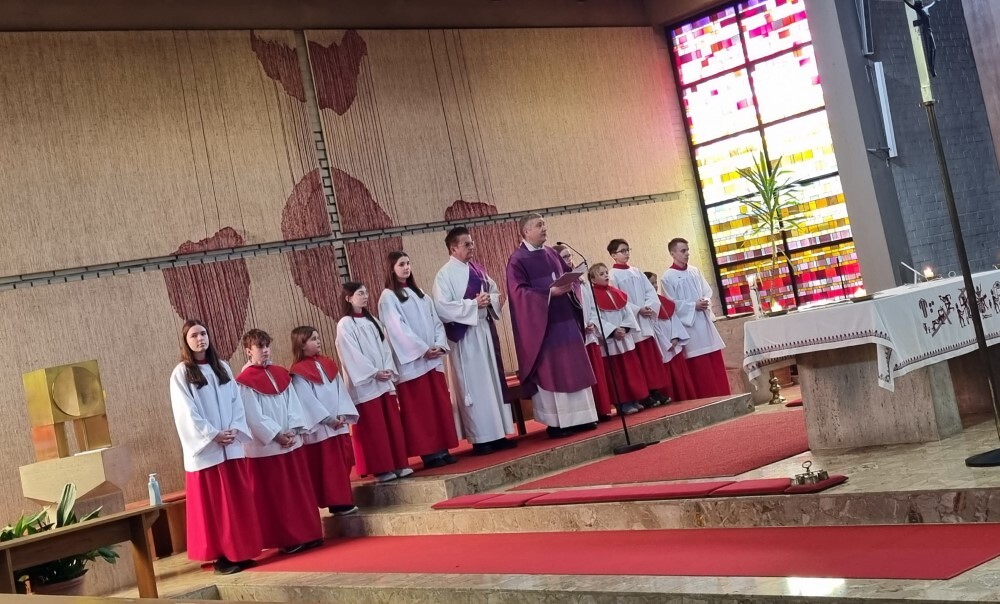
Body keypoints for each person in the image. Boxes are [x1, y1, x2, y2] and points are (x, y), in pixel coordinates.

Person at [169, 320, 262, 575]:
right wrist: (213, 435)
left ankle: (240, 552)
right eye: (194, 335)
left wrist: (233, 429)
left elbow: (236, 402)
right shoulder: (181, 373)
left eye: (203, 333)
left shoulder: (222, 367)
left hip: (230, 446)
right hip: (208, 451)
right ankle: (221, 557)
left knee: (236, 504)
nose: (200, 338)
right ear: (186, 342)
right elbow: (186, 413)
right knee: (217, 508)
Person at [506, 213, 598, 438]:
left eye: (544, 224)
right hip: (543, 328)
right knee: (553, 370)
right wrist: (548, 293)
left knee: (574, 367)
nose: (544, 228)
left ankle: (582, 417)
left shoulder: (551, 253)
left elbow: (567, 277)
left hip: (566, 319)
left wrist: (573, 281)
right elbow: (518, 294)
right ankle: (558, 423)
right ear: (526, 231)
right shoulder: (517, 260)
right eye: (539, 225)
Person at [236, 328, 323, 554]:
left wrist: (293, 430)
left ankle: (309, 533)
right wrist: (276, 435)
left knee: (299, 490)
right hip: (268, 448)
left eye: (267, 346)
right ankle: (288, 539)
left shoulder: (280, 373)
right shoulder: (244, 382)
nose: (265, 350)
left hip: (290, 442)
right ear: (248, 351)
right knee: (279, 495)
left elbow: (293, 403)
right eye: (260, 347)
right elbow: (253, 416)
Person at [433, 227, 517, 455]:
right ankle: (481, 438)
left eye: (472, 243)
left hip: (484, 330)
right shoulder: (444, 275)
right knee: (476, 387)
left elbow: (495, 292)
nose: (472, 247)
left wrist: (489, 299)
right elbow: (442, 308)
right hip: (466, 338)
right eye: (467, 244)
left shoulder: (477, 270)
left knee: (491, 383)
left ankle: (498, 433)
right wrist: (472, 304)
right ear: (453, 248)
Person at [378, 251, 460, 468]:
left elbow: (436, 321)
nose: (406, 267)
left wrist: (438, 345)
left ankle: (442, 448)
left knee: (438, 406)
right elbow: (397, 329)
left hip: (432, 361)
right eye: (401, 264)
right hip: (413, 364)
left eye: (408, 263)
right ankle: (429, 453)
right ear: (391, 269)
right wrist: (423, 350)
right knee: (421, 411)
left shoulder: (421, 293)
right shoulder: (388, 297)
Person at [335, 282, 414, 482]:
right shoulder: (345, 324)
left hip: (383, 381)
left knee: (391, 425)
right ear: (348, 298)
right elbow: (351, 355)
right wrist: (373, 373)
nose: (365, 296)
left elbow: (386, 348)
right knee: (375, 427)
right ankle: (381, 468)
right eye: (360, 293)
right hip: (366, 385)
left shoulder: (373, 321)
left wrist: (387, 368)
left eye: (366, 292)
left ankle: (398, 462)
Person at [289, 326, 360, 517]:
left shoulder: (328, 364)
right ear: (301, 344)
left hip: (337, 424)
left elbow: (340, 391)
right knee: (329, 467)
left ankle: (343, 499)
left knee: (342, 463)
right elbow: (306, 400)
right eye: (313, 339)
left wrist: (343, 414)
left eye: (318, 337)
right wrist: (328, 419)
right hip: (321, 429)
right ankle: (337, 503)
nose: (318, 341)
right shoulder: (298, 373)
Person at [661, 238, 731, 397]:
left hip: (704, 323)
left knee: (715, 364)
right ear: (672, 253)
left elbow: (707, 292)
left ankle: (724, 396)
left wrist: (704, 301)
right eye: (683, 251)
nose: (687, 253)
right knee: (700, 369)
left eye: (687, 250)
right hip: (689, 328)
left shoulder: (694, 271)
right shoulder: (668, 277)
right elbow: (670, 304)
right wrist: (693, 306)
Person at [608, 238, 670, 406]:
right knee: (639, 361)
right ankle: (644, 394)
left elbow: (650, 291)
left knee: (650, 359)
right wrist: (637, 310)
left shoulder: (636, 271)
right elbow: (619, 300)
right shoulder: (613, 276)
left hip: (645, 320)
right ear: (613, 255)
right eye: (622, 251)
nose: (626, 253)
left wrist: (649, 306)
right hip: (633, 322)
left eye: (628, 249)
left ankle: (655, 390)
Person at [585, 264, 649, 415]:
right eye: (601, 274)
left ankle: (634, 398)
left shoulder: (616, 292)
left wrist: (625, 328)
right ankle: (623, 403)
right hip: (610, 342)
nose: (606, 275)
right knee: (617, 374)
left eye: (606, 273)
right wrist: (613, 331)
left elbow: (628, 313)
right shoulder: (592, 297)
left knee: (631, 371)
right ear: (593, 279)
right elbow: (594, 317)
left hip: (624, 339)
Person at [645, 271, 697, 401]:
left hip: (674, 345)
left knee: (681, 377)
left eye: (655, 283)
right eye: (651, 283)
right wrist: (665, 344)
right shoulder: (645, 306)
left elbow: (674, 319)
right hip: (662, 348)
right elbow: (652, 328)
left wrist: (675, 337)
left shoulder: (664, 301)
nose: (655, 286)